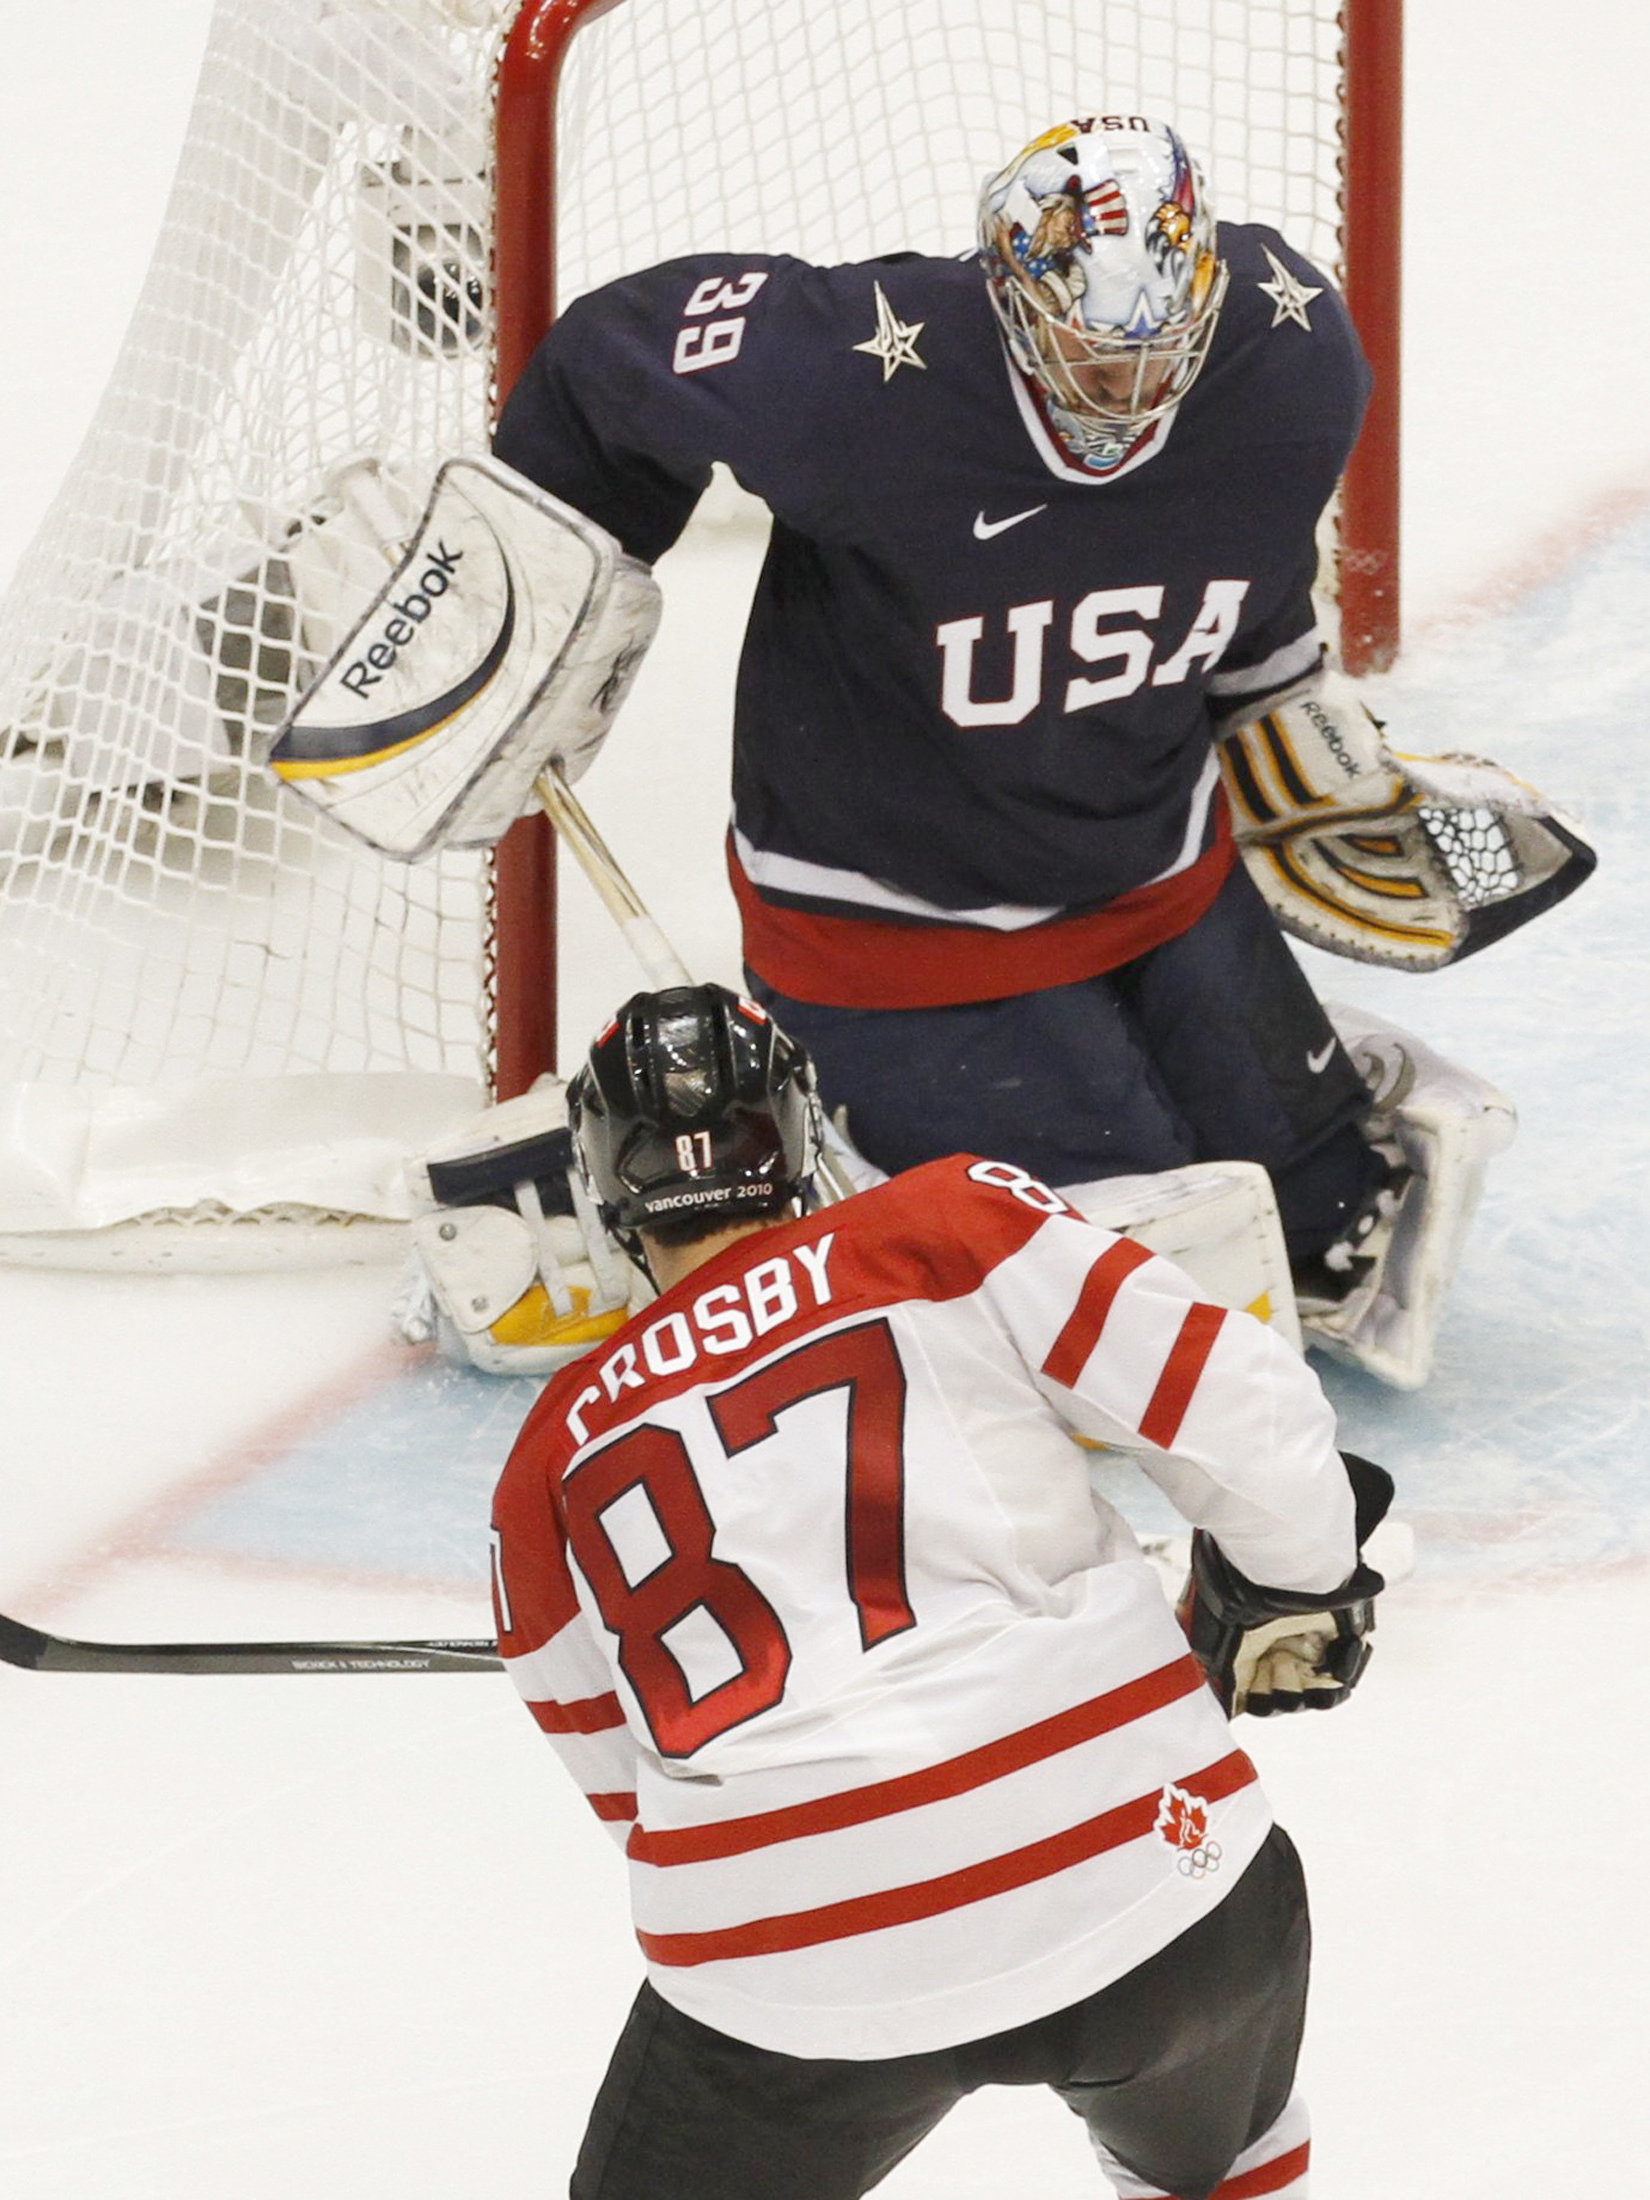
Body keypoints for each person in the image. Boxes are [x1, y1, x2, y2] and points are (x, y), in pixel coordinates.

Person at [489, 115, 1418, 1313]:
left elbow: (1242, 541)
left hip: (1157, 869)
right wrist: (539, 584)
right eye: (1090, 356)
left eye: (1158, 352)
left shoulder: (1291, 355)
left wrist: (1288, 711)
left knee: (1331, 1224)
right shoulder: (852, 379)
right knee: (1136, 1292)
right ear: (1013, 301)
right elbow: (605, 358)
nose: (1127, 390)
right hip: (895, 928)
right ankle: (734, 1168)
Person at [490, 983, 1392, 2200]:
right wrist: (1303, 1581)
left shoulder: (545, 1458)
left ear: (607, 1188)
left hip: (796, 1969)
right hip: (1148, 1871)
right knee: (1225, 2154)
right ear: (799, 1140)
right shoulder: (946, 1222)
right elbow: (1246, 1413)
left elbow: (618, 1778)